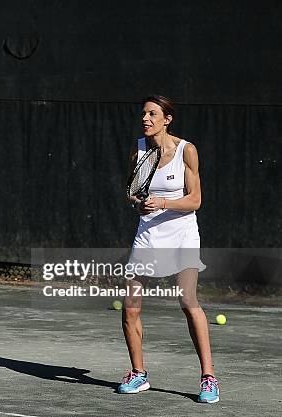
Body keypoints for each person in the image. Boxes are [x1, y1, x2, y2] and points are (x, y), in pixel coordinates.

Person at [119, 95, 219, 403]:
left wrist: (163, 202)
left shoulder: (186, 151)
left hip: (182, 235)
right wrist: (139, 203)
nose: (145, 119)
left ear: (167, 119)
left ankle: (208, 378)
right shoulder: (138, 149)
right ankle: (139, 374)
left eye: (152, 114)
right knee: (129, 306)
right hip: (147, 235)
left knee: (188, 302)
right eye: (143, 114)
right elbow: (131, 192)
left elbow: (195, 200)